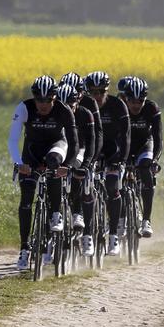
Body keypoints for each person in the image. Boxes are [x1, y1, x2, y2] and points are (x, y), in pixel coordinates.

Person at [8, 75, 75, 270]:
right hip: (32, 151)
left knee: (54, 162)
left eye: (48, 100)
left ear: (55, 98)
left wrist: (68, 165)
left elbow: (74, 141)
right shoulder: (24, 108)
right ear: (34, 98)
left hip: (56, 146)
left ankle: (55, 214)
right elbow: (13, 139)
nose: (43, 105)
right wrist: (19, 163)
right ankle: (24, 248)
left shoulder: (64, 110)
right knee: (27, 198)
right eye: (39, 100)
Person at [84, 70, 130, 256]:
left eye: (101, 91)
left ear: (107, 90)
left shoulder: (118, 105)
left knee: (112, 187)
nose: (97, 96)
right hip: (92, 151)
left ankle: (113, 236)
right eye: (93, 92)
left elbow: (126, 137)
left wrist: (121, 162)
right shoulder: (84, 105)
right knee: (84, 188)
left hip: (113, 151)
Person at [57, 83, 97, 257]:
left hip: (79, 149)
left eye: (70, 105)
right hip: (62, 149)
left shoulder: (85, 114)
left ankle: (77, 213)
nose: (67, 109)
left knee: (76, 170)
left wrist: (87, 164)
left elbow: (93, 141)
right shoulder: (54, 113)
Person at [121, 76, 161, 238]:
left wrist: (155, 160)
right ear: (126, 98)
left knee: (145, 169)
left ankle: (146, 220)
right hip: (125, 145)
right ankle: (120, 220)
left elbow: (158, 138)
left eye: (140, 101)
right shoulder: (120, 108)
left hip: (145, 145)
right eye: (132, 101)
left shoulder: (151, 108)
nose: (136, 105)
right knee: (117, 176)